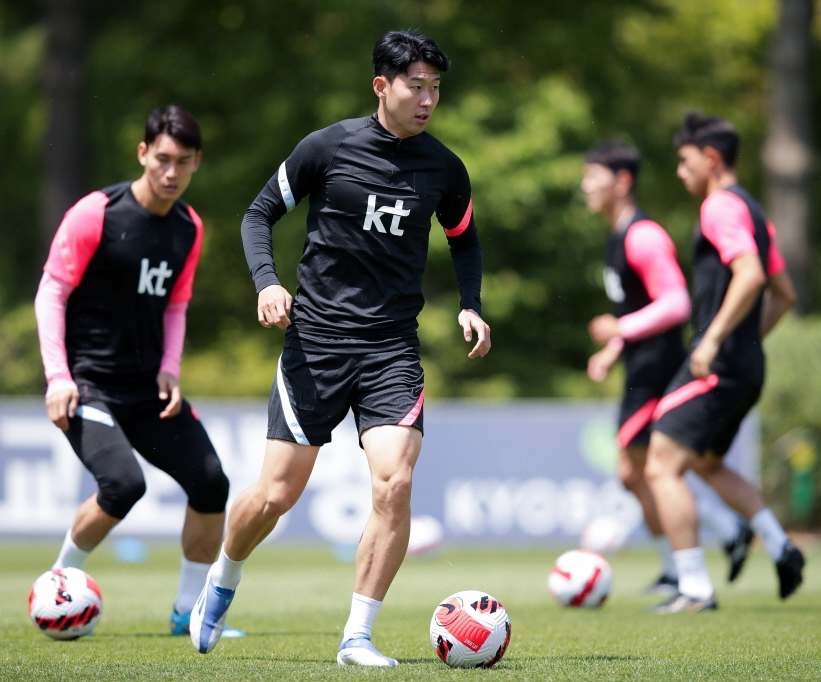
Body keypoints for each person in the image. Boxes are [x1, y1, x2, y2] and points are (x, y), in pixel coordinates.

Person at [189, 31, 490, 666]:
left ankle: (357, 635)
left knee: (395, 483)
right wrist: (268, 284)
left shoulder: (444, 167)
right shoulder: (327, 148)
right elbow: (257, 214)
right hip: (315, 346)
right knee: (275, 495)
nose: (428, 98)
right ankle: (222, 578)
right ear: (382, 86)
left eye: (436, 87)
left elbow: (464, 238)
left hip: (391, 351)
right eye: (416, 85)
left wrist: (471, 304)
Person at [35, 105, 242, 638]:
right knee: (123, 485)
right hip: (90, 387)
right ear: (143, 153)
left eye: (184, 162)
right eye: (163, 159)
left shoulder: (189, 228)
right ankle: (60, 585)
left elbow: (176, 304)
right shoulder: (95, 214)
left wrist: (171, 368)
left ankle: (187, 614)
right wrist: (58, 377)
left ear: (197, 162)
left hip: (149, 390)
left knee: (212, 483)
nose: (172, 173)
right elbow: (51, 293)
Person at [645, 112, 803, 613]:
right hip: (746, 365)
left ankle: (693, 588)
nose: (679, 171)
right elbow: (786, 294)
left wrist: (715, 340)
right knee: (709, 464)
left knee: (659, 464)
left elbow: (752, 276)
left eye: (685, 160)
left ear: (711, 159)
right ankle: (781, 546)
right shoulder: (754, 211)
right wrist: (747, 342)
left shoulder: (719, 207)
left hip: (717, 365)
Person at [582, 141, 755, 596]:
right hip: (641, 365)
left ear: (622, 182)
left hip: (661, 369)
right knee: (637, 472)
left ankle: (707, 547)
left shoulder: (643, 235)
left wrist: (620, 326)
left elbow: (676, 304)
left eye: (592, 176)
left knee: (651, 469)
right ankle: (690, 556)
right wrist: (614, 347)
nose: (584, 185)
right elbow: (641, 307)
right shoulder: (616, 236)